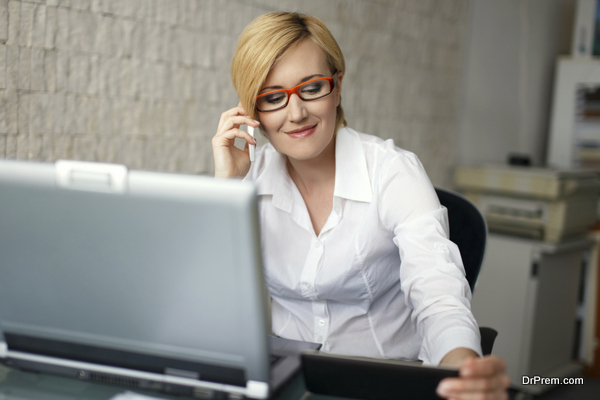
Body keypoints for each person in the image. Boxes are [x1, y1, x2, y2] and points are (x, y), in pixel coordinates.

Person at [212, 11, 510, 400]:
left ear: (337, 87)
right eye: (273, 98)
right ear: (253, 112)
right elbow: (209, 307)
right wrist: (227, 192)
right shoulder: (247, 178)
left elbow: (439, 296)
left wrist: (462, 369)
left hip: (386, 385)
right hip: (290, 385)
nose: (296, 112)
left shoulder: (393, 173)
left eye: (312, 88)